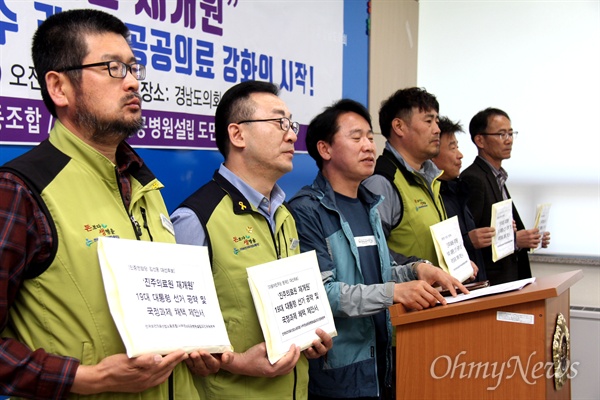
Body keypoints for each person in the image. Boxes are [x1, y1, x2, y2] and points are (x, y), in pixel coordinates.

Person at [0, 9, 214, 399]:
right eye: (114, 67)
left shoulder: (143, 184)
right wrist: (85, 378)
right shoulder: (20, 189)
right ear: (59, 87)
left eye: (134, 68)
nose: (133, 82)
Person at [288, 99, 468, 399]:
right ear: (325, 149)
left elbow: (378, 272)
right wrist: (394, 293)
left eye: (370, 137)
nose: (369, 146)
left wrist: (416, 270)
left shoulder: (369, 203)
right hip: (338, 371)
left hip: (381, 362)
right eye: (356, 137)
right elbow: (322, 294)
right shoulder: (307, 211)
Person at [171, 80, 332, 399]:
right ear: (237, 134)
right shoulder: (195, 219)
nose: (291, 134)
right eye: (278, 122)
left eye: (291, 124)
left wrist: (311, 335)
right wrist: (237, 363)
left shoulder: (284, 213)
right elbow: (176, 336)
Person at [460, 107, 550, 284]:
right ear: (480, 140)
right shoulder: (473, 178)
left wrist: (530, 238)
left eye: (511, 134)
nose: (508, 140)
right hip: (493, 280)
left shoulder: (497, 176)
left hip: (510, 275)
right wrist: (516, 241)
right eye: (501, 134)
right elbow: (471, 239)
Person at [362, 87, 447, 266]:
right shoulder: (381, 182)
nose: (437, 129)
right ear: (399, 127)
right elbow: (373, 254)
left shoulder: (430, 177)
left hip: (440, 292)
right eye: (428, 121)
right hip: (407, 292)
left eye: (437, 121)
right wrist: (419, 268)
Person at [431, 116, 489, 282]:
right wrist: (469, 240)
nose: (460, 155)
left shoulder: (458, 189)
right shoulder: (434, 197)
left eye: (458, 147)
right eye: (452, 148)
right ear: (432, 153)